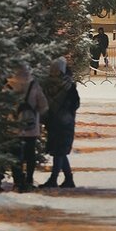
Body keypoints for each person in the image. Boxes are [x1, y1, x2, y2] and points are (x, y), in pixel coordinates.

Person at [0, 62, 48, 193]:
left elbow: (0, 107)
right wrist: (34, 112)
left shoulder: (8, 86)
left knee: (14, 155)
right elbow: (43, 105)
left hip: (12, 128)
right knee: (30, 156)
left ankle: (17, 182)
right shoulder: (34, 86)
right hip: (31, 127)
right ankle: (28, 180)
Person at [41, 58, 80, 188]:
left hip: (54, 120)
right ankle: (68, 179)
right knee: (59, 151)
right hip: (64, 122)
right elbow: (75, 104)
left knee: (58, 151)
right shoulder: (69, 86)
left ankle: (54, 179)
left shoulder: (46, 85)